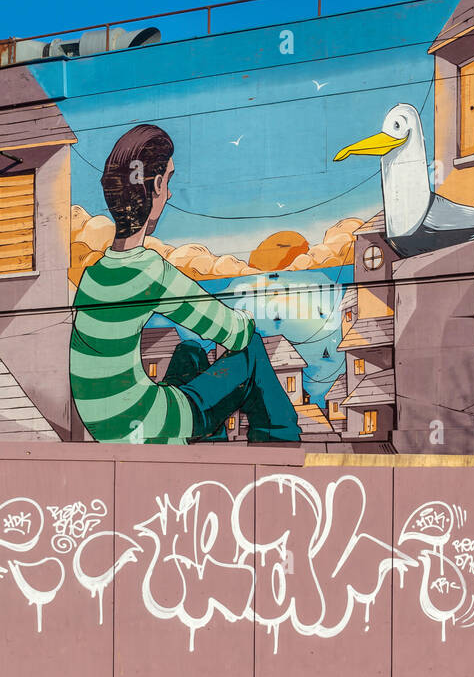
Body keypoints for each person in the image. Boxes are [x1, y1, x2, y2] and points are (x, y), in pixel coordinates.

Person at [69, 123, 301, 445]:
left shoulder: (94, 274)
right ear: (157, 185)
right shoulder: (149, 271)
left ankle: (208, 454)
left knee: (190, 352)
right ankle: (281, 458)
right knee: (250, 351)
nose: (171, 194)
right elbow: (233, 332)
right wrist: (247, 320)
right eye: (170, 181)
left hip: (106, 425)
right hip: (143, 425)